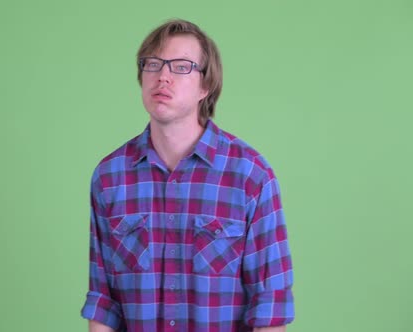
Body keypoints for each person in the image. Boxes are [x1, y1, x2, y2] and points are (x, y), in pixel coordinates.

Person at [81, 19, 294, 332]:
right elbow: (103, 301)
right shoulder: (110, 177)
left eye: (181, 66)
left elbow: (270, 305)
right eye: (153, 64)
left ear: (205, 86)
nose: (163, 76)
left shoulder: (250, 175)